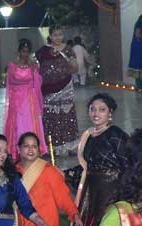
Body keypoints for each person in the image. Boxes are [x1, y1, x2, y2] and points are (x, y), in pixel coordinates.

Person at [68, 94, 130, 226]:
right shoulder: (88, 136)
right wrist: (65, 174)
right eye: (93, 109)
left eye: (101, 109)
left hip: (112, 191)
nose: (96, 113)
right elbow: (88, 167)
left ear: (110, 113)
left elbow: (128, 165)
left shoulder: (116, 135)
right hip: (92, 192)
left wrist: (122, 195)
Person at [35, 29, 79, 157]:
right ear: (50, 36)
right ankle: (51, 147)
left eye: (60, 35)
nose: (58, 37)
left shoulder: (68, 50)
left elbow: (75, 68)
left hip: (65, 87)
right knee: (50, 117)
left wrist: (71, 65)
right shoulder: (43, 51)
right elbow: (36, 67)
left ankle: (70, 147)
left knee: (67, 115)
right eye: (55, 35)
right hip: (48, 89)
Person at [4, 39, 45, 161]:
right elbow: (11, 82)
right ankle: (16, 149)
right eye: (23, 51)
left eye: (27, 51)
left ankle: (33, 148)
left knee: (30, 123)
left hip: (29, 99)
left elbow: (37, 83)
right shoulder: (12, 66)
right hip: (16, 99)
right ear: (19, 52)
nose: (25, 54)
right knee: (18, 123)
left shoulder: (33, 66)